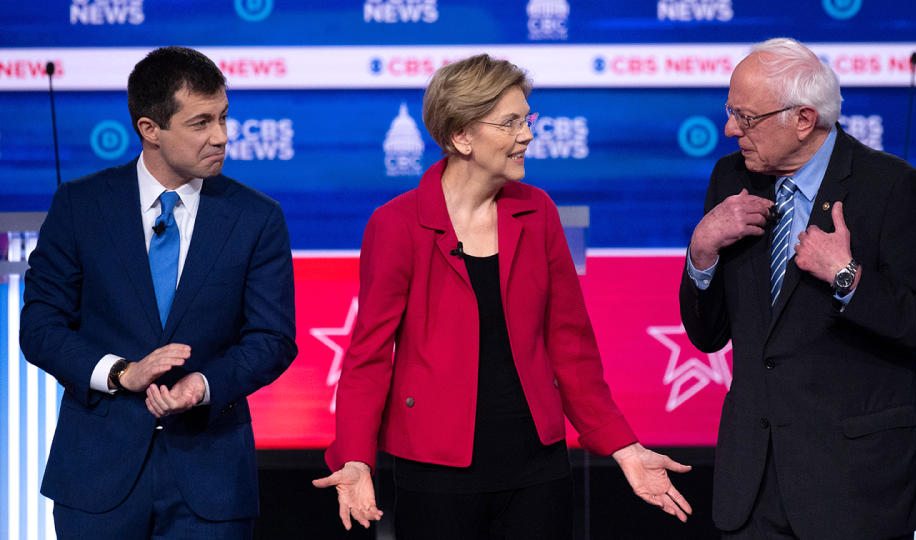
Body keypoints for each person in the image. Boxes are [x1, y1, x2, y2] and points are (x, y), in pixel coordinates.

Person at [312, 53, 692, 539]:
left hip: (537, 467)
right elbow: (368, 357)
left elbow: (571, 348)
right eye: (510, 122)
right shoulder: (396, 224)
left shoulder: (538, 213)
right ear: (461, 137)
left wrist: (623, 446)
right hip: (436, 471)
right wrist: (356, 459)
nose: (527, 134)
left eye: (527, 119)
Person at [20, 46, 297, 539]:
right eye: (201, 122)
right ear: (150, 129)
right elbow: (40, 327)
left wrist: (202, 385)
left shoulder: (257, 218)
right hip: (96, 477)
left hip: (212, 480)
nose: (222, 137)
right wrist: (122, 373)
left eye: (224, 117)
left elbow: (272, 339)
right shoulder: (80, 206)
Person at [680, 37, 916, 540]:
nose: (730, 129)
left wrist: (847, 276)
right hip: (753, 486)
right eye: (729, 111)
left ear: (803, 119)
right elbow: (707, 334)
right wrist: (702, 249)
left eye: (746, 117)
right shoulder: (730, 178)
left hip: (854, 490)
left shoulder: (890, 187)